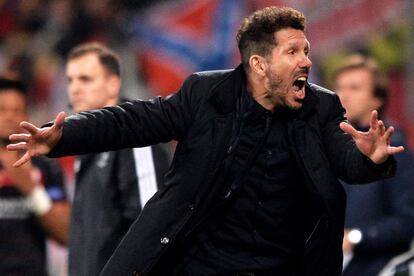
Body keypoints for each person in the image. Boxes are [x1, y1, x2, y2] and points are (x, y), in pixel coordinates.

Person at [7, 7, 404, 276]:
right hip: (200, 265)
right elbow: (134, 120)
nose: (307, 61)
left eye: (307, 50)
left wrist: (370, 159)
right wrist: (65, 135)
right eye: (293, 51)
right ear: (259, 64)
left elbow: (344, 160)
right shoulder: (205, 95)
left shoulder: (321, 107)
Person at [64, 42, 170, 276]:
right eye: (70, 80)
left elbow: (152, 228)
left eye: (85, 79)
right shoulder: (86, 145)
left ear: (113, 84)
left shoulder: (135, 139)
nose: (74, 89)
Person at [333, 55, 414, 276]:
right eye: (339, 87)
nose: (344, 95)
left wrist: (355, 238)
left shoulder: (395, 149)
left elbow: (407, 222)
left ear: (377, 99)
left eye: (355, 88)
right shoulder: (334, 149)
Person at [0, 77, 69, 275]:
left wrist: (32, 190)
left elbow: (66, 235)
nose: (9, 117)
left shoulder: (45, 165)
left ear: (27, 115)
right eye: (2, 110)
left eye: (16, 110)